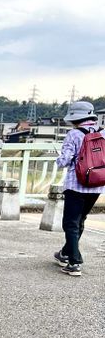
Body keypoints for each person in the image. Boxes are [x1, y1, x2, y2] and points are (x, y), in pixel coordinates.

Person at [53, 101, 105, 276]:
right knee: (80, 220)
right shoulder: (103, 133)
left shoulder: (74, 134)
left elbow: (65, 160)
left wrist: (58, 159)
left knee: (70, 223)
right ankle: (65, 253)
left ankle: (74, 262)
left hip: (76, 185)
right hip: (97, 184)